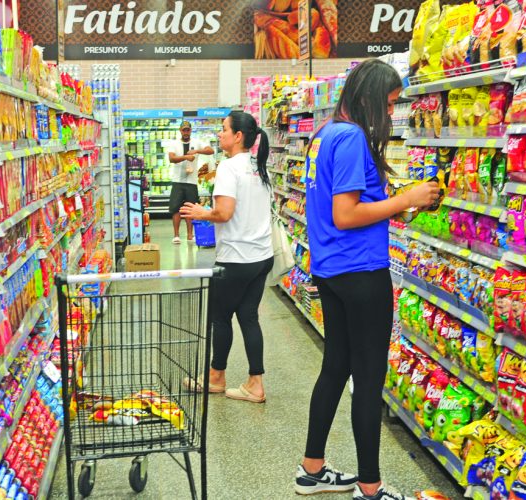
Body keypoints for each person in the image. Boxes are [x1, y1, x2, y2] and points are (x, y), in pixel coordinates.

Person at [293, 60, 441, 499]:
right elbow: (347, 213)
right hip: (361, 271)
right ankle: (370, 488)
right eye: (390, 104)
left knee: (336, 366)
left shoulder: (324, 135)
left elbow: (339, 207)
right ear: (370, 99)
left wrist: (399, 205)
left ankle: (312, 469)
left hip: (331, 268)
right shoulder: (354, 138)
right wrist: (404, 199)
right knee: (368, 378)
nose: (392, 115)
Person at [179, 111, 273, 403]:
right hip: (261, 255)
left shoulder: (230, 168)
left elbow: (224, 213)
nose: (219, 134)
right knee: (248, 317)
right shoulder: (259, 166)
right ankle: (255, 383)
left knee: (220, 318)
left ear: (238, 136)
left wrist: (200, 213)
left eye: (223, 130)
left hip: (236, 257)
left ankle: (216, 377)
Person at [165, 121, 214, 244]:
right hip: (177, 181)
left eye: (188, 130)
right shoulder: (174, 144)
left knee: (190, 208)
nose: (186, 132)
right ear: (180, 131)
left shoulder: (196, 142)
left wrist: (197, 151)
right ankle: (176, 235)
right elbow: (171, 158)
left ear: (190, 130)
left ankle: (190, 235)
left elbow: (210, 150)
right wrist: (185, 157)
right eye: (184, 130)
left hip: (191, 182)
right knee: (175, 209)